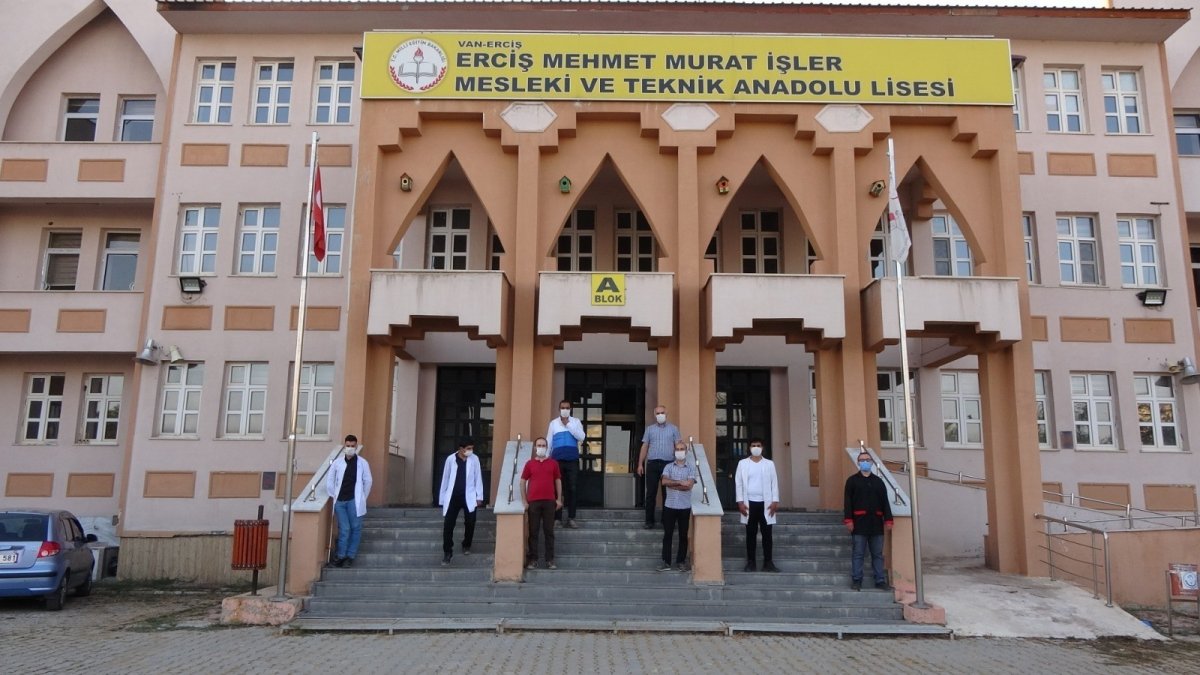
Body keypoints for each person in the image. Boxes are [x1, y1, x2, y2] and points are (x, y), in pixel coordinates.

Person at [843, 450, 894, 591]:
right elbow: (847, 503)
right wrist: (848, 520)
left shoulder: (878, 482)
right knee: (858, 553)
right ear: (858, 463)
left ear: (871, 462)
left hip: (876, 524)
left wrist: (888, 520)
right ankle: (857, 580)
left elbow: (885, 502)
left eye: (867, 459)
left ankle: (880, 580)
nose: (865, 462)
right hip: (859, 524)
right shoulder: (852, 481)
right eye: (862, 460)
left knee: (877, 554)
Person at [324, 434, 372, 568]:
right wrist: (333, 494)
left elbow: (368, 481)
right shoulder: (337, 463)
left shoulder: (362, 463)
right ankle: (340, 556)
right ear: (344, 446)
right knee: (344, 529)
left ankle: (350, 557)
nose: (350, 448)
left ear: (356, 447)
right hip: (340, 501)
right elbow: (330, 479)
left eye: (352, 446)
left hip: (354, 501)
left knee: (356, 528)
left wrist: (362, 497)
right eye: (348, 446)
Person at [734, 438, 780, 573]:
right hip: (749, 505)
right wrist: (740, 502)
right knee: (750, 533)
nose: (756, 447)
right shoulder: (742, 464)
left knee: (767, 534)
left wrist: (775, 501)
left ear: (762, 447)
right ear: (749, 448)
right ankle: (751, 562)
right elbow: (739, 483)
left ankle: (768, 562)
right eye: (753, 445)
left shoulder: (769, 464)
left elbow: (774, 483)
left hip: (766, 504)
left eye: (758, 445)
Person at [438, 438, 485, 566]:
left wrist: (479, 496)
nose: (470, 451)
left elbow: (478, 477)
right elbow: (446, 478)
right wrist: (442, 498)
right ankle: (447, 552)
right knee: (448, 525)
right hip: (453, 497)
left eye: (471, 448)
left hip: (469, 496)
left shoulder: (474, 459)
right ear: (461, 448)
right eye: (468, 448)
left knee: (470, 521)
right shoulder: (450, 459)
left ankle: (466, 544)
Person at [636, 404, 681, 529]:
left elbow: (678, 445)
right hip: (653, 464)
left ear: (667, 414)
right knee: (650, 493)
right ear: (654, 415)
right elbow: (644, 446)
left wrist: (679, 465)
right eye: (658, 413)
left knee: (668, 494)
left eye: (662, 413)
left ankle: (666, 521)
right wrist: (640, 464)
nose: (660, 415)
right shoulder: (650, 429)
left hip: (669, 465)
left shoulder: (674, 429)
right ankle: (649, 521)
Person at [521, 437, 563, 570]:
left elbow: (558, 480)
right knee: (533, 532)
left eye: (543, 445)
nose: (541, 447)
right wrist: (524, 500)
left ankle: (550, 560)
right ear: (535, 448)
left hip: (549, 502)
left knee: (549, 531)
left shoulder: (553, 463)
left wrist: (559, 499)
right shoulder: (529, 464)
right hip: (533, 502)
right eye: (539, 445)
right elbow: (522, 481)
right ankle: (533, 559)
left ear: (547, 447)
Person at [658, 440, 696, 572]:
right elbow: (664, 482)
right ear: (674, 451)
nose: (679, 451)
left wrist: (673, 484)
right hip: (670, 506)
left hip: (684, 507)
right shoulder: (668, 467)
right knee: (667, 534)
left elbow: (689, 486)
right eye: (677, 449)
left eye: (682, 449)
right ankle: (666, 562)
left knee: (683, 535)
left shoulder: (691, 467)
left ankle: (680, 561)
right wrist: (680, 482)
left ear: (686, 451)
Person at [547, 400, 585, 528]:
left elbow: (581, 437)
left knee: (572, 488)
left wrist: (568, 424)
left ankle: (571, 518)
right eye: (563, 407)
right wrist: (546, 460)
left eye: (567, 408)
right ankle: (557, 519)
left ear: (571, 409)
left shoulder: (576, 422)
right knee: (557, 490)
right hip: (557, 461)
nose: (565, 409)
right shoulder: (553, 423)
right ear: (559, 409)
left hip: (572, 460)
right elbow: (549, 442)